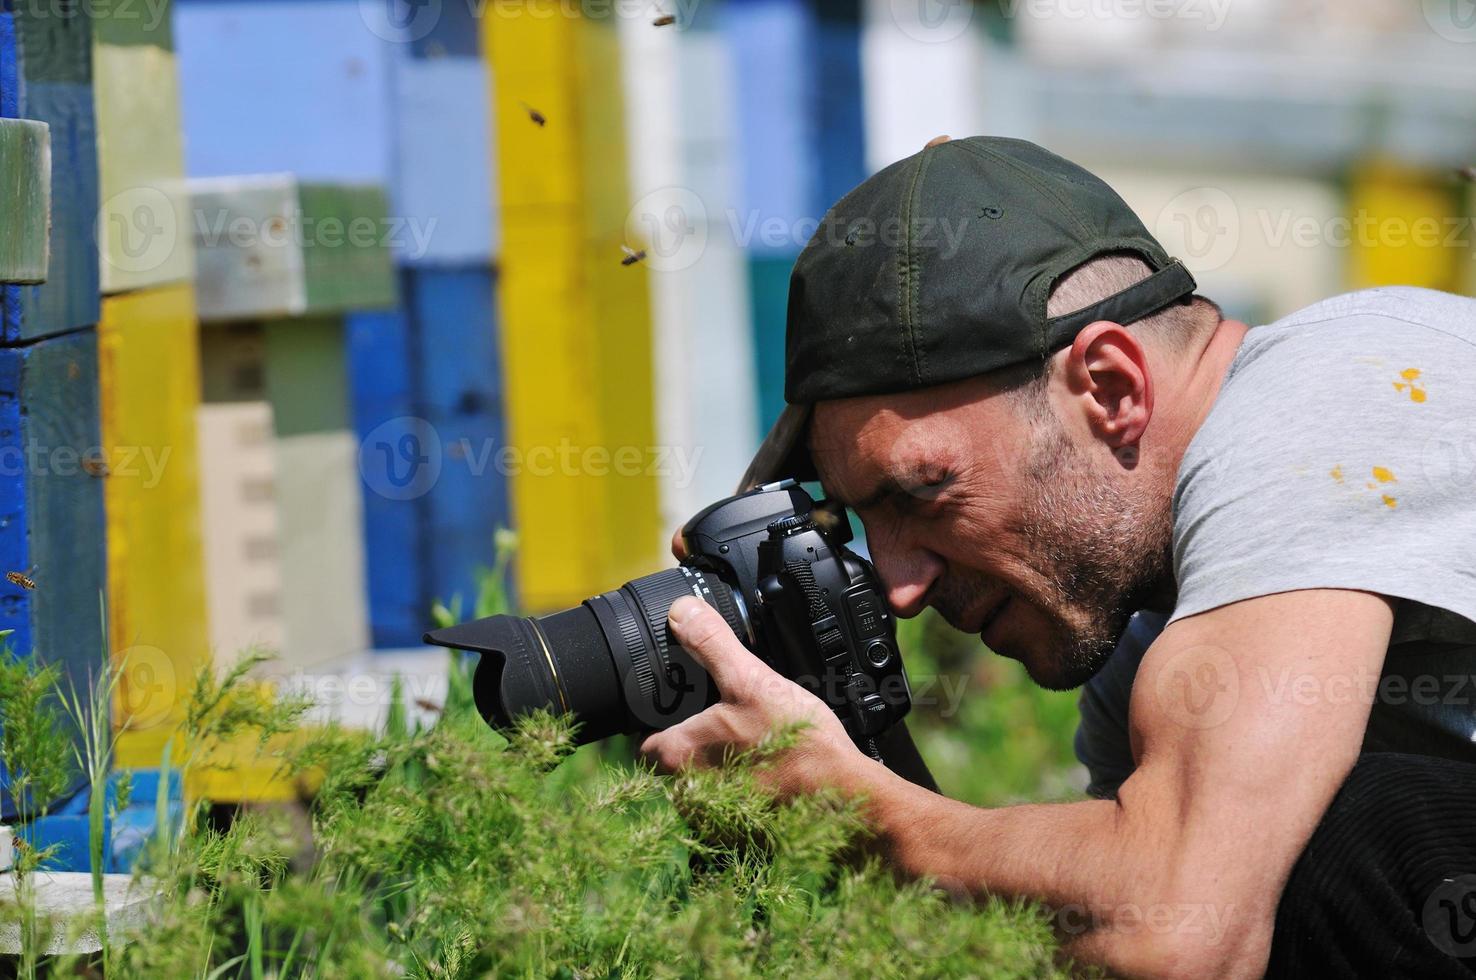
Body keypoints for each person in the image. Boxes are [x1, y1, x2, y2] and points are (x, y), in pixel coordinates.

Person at [639, 136, 1476, 978]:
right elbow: (1123, 930)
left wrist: (864, 817)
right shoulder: (1145, 658)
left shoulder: (1327, 394)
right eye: (863, 523)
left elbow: (1182, 928)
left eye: (922, 491)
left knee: (1337, 840)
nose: (898, 586)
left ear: (1110, 388)